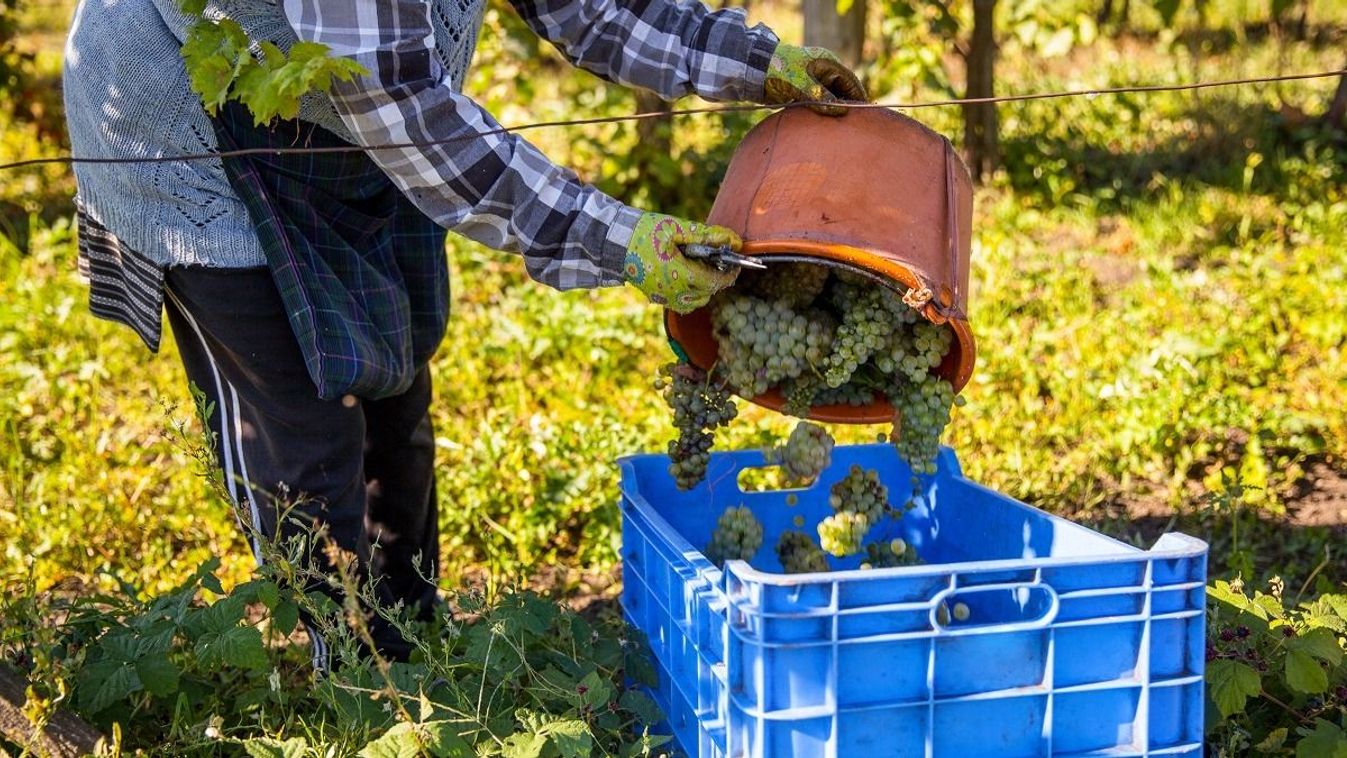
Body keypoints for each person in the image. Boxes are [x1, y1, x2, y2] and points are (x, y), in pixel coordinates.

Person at [62, 0, 865, 664]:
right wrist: (614, 237)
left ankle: (412, 637)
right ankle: (347, 669)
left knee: (397, 388)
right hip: (195, 138)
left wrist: (744, 59)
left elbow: (595, 9)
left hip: (355, 126)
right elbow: (413, 123)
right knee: (300, 430)